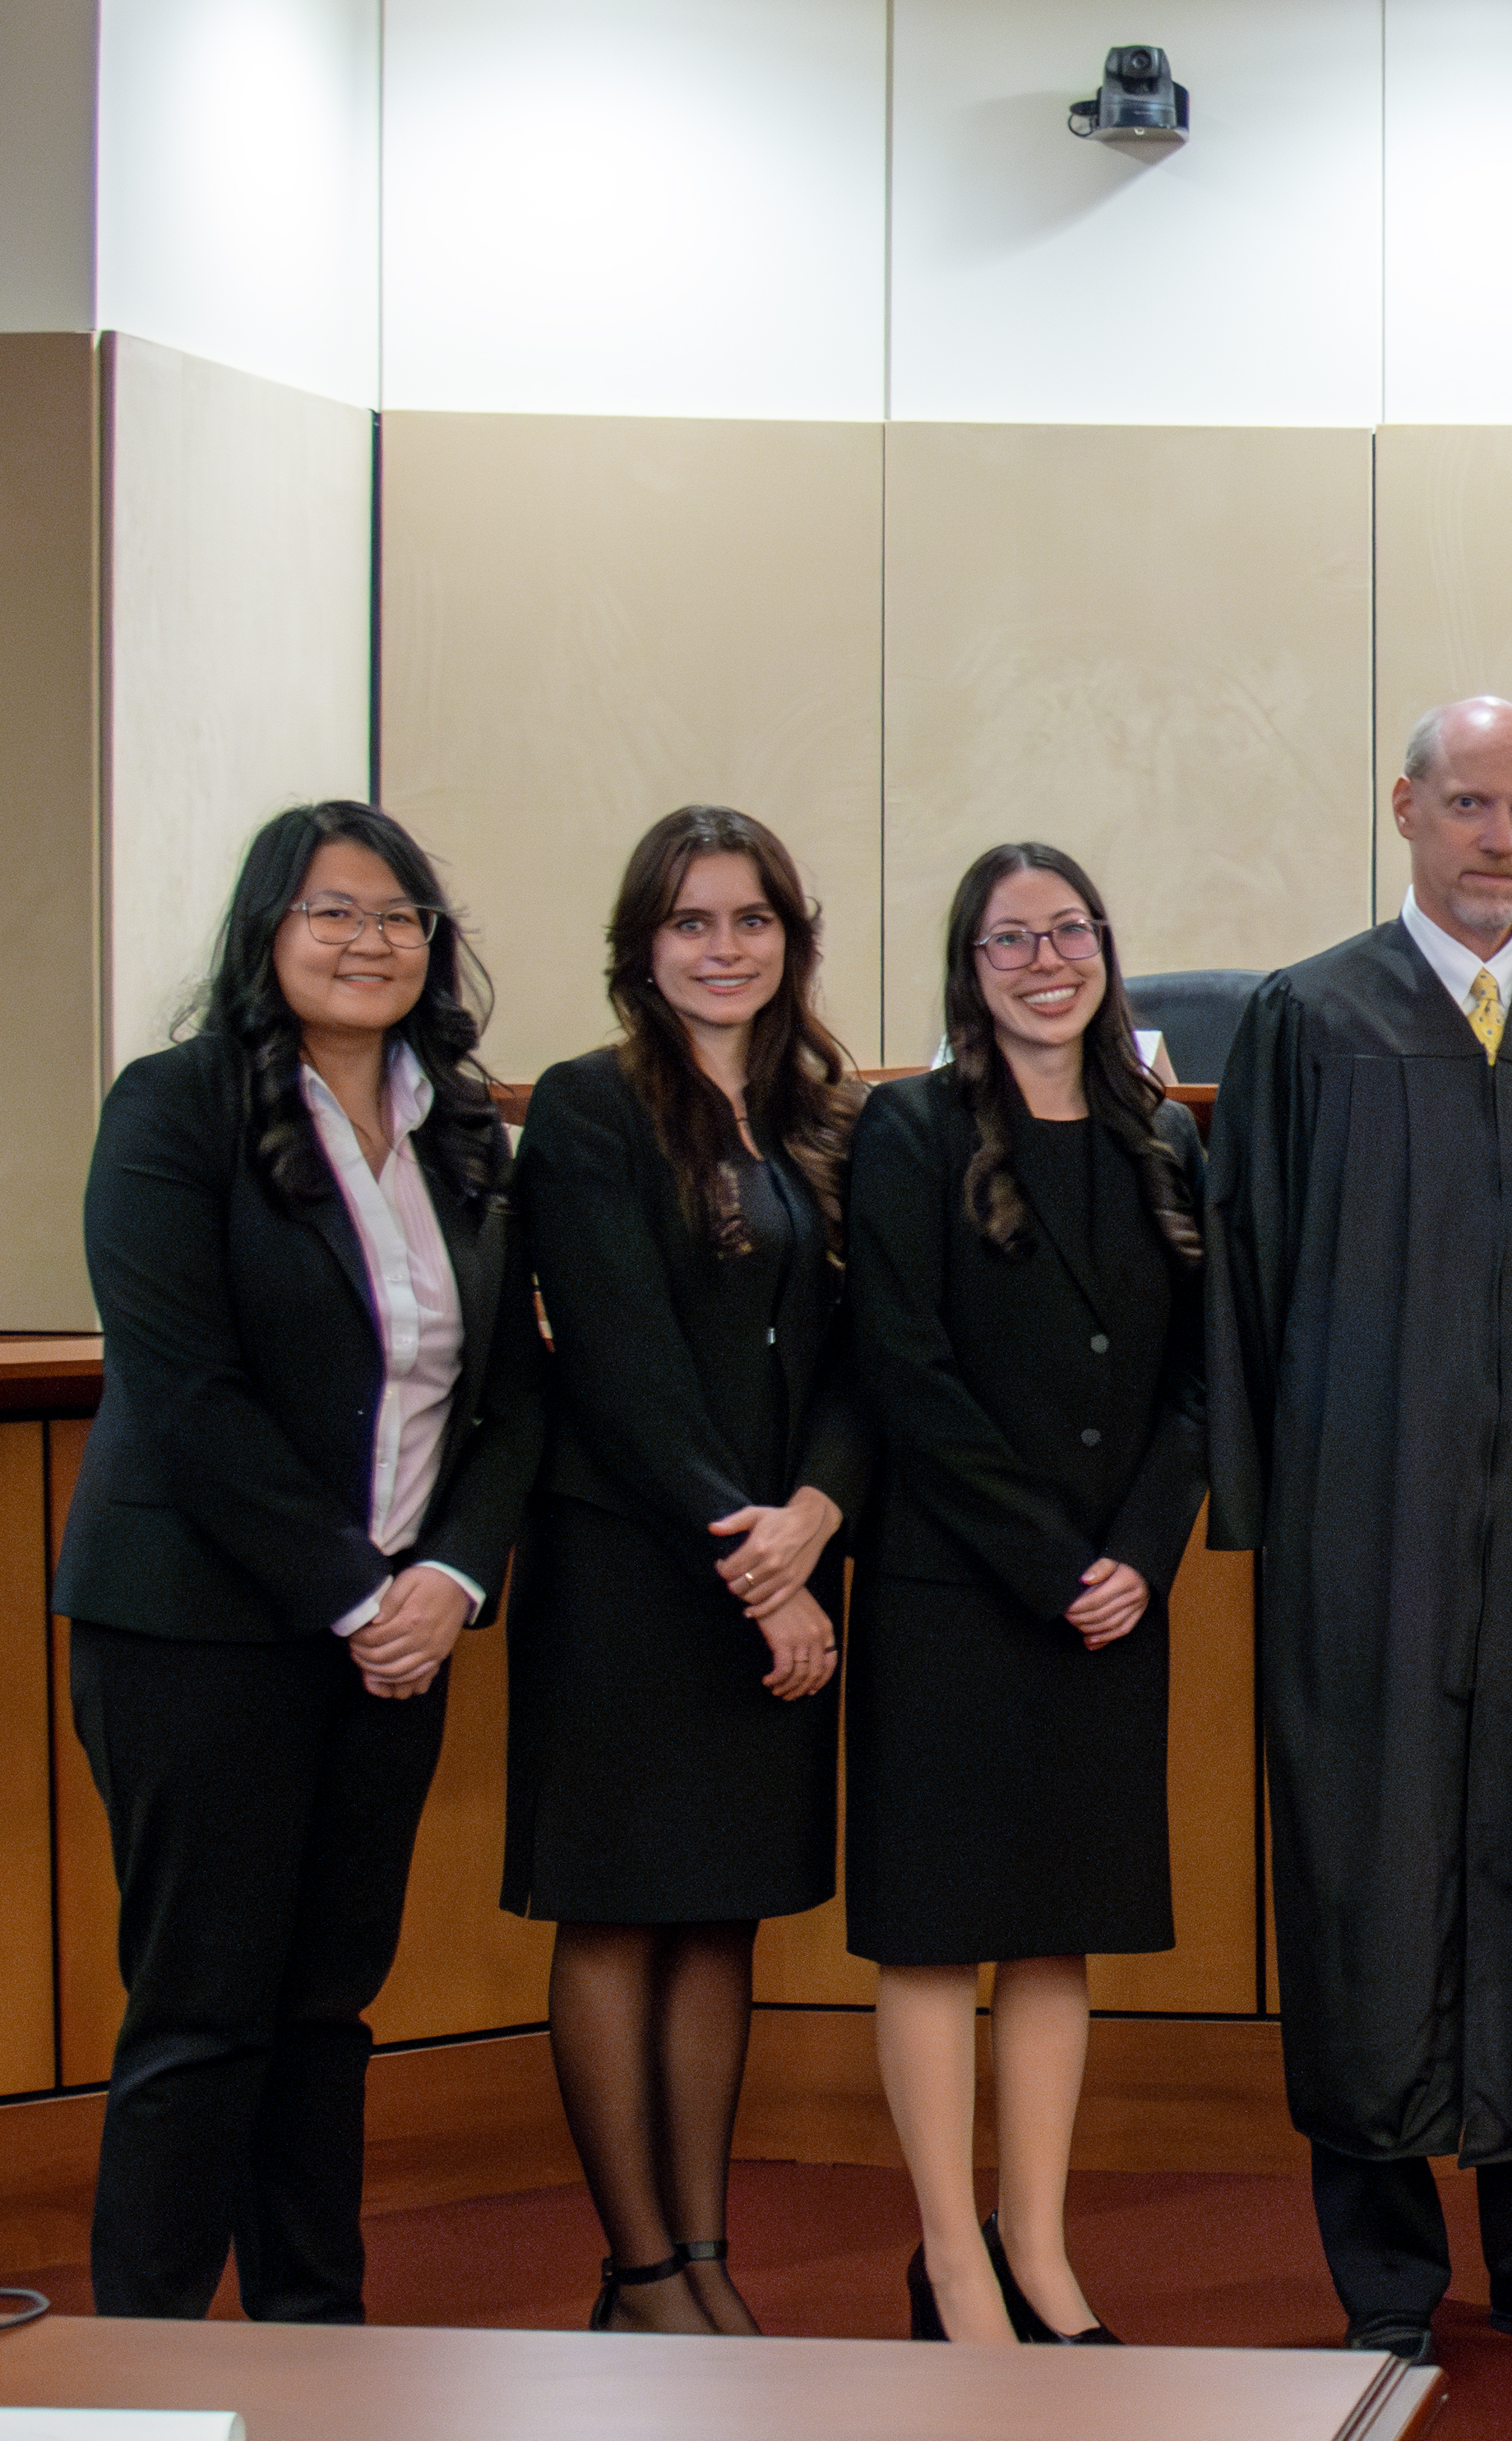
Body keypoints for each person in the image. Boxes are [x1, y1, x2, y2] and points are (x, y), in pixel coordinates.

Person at [1204, 698, 1512, 2369]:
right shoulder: (1307, 1019)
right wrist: (1267, 1522)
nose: (1498, 837)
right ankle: (1387, 2285)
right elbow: (1242, 1282)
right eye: (1468, 803)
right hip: (1365, 1543)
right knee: (1369, 1886)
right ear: (1404, 808)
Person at [59, 801, 543, 2321]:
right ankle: (134, 2364)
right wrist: (351, 1589)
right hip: (199, 1632)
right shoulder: (173, 1106)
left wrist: (448, 1580)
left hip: (402, 1630)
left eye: (397, 914)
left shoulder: (467, 1127)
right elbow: (183, 1390)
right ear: (267, 932)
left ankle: (313, 2343)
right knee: (203, 2013)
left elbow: (517, 1391)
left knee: (327, 2013)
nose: (369, 940)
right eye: (333, 911)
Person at [506, 807, 870, 2335]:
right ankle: (641, 2266)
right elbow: (620, 1363)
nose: (725, 949)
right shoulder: (591, 1110)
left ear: (791, 938)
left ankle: (705, 2251)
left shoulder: (827, 1114)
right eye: (691, 923)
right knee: (621, 1912)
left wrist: (820, 1510)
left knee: (721, 1912)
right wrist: (763, 1562)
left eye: (752, 921)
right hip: (634, 1567)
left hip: (782, 1546)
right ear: (642, 949)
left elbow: (870, 1351)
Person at [844, 844, 1209, 2346]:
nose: (1047, 958)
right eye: (1012, 937)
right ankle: (948, 2266)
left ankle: (1040, 2254)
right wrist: (1050, 1561)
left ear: (1109, 951)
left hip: (1115, 1594)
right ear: (968, 963)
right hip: (955, 1590)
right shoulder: (910, 1129)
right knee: (937, 1932)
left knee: (1057, 1931)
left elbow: (1202, 1376)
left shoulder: (1162, 1138)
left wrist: (1139, 1549)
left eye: (1072, 931)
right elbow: (902, 1372)